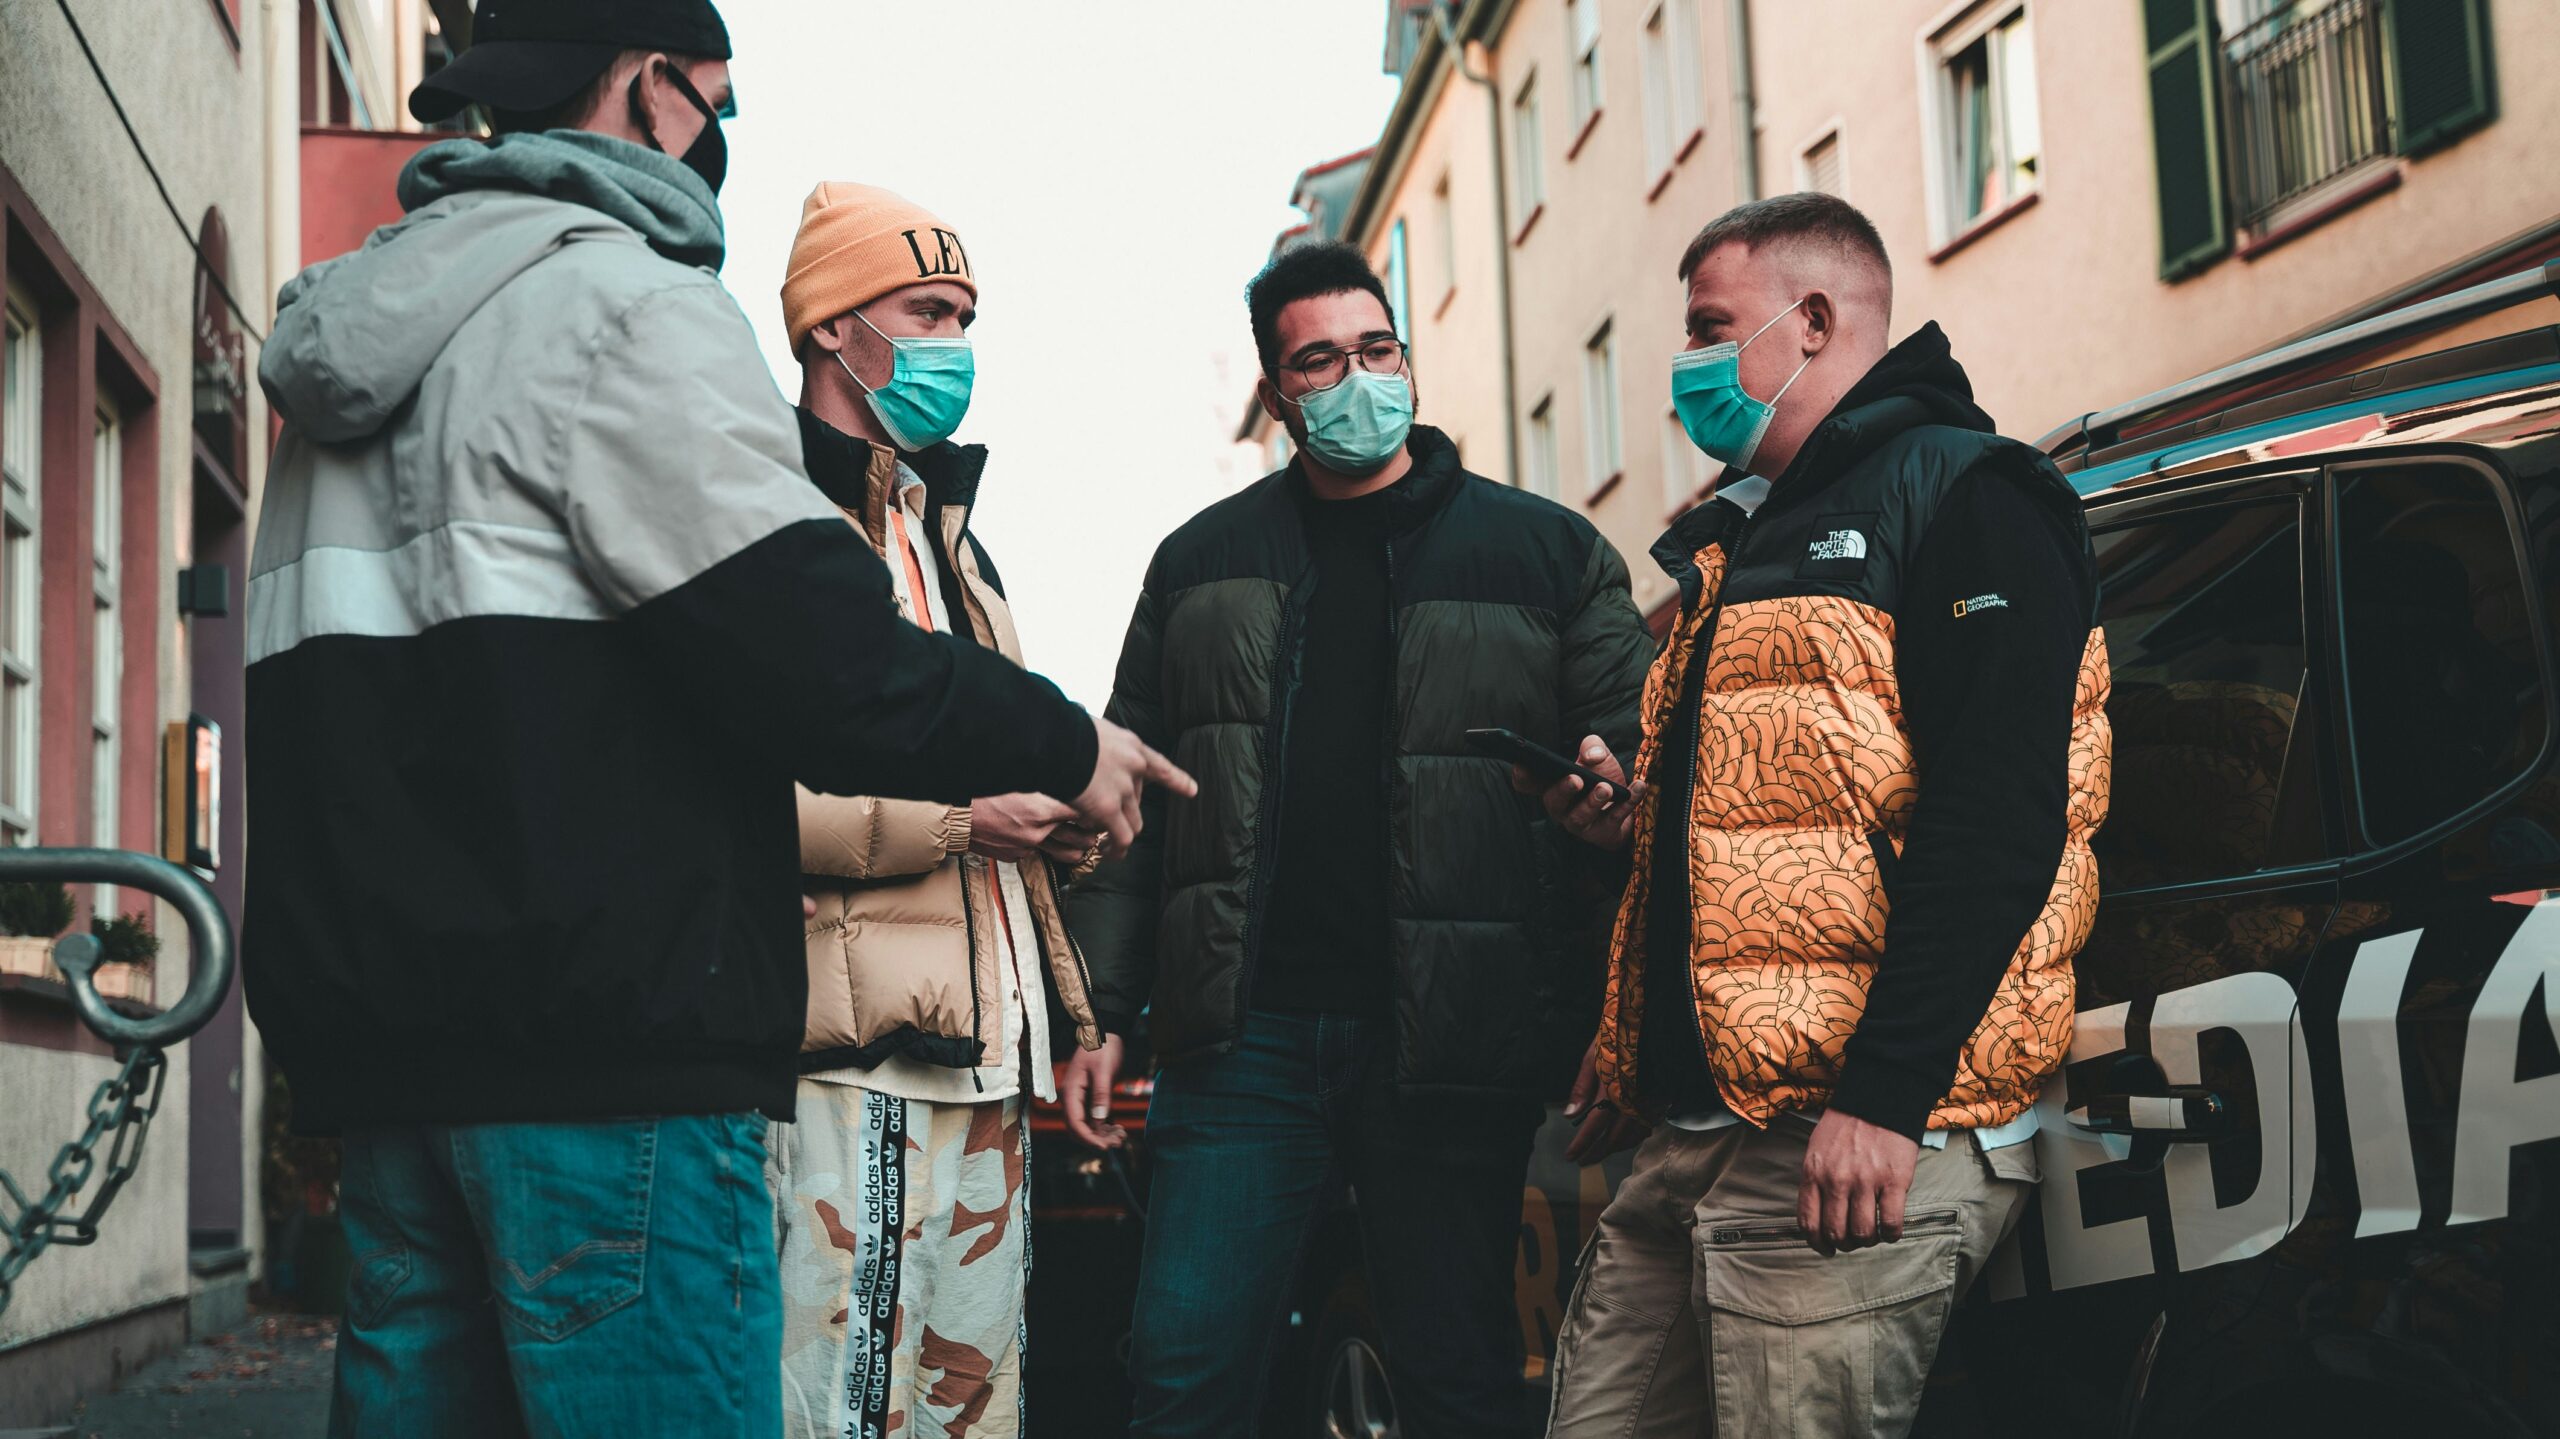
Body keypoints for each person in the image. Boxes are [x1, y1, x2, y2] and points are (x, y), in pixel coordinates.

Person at [243, 5, 1188, 1435]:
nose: (721, 139)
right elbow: (821, 655)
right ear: (647, 86)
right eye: (718, 101)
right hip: (606, 1062)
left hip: (390, 1071)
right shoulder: (627, 305)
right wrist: (1073, 741)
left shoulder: (341, 363)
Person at [1534, 192, 2110, 1438]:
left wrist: (1886, 1093)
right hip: (1694, 1130)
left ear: (1809, 320)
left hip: (1848, 1134)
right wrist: (1634, 974)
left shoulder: (1974, 494)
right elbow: (1774, 830)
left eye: (1707, 327)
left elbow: (1999, 811)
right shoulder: (1741, 540)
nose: (1688, 366)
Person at [1061, 240, 1656, 1439]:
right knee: (1182, 1371)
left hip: (1452, 1031)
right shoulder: (1198, 563)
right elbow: (1124, 801)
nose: (1357, 378)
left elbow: (1643, 792)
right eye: (1320, 360)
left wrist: (1610, 896)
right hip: (1242, 1043)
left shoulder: (1547, 554)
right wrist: (1100, 1012)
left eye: (1376, 349)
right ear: (1278, 395)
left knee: (1458, 1370)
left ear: (1408, 362)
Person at [762, 181, 1098, 1439]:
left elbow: (1006, 778)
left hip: (989, 1048)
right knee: (836, 1409)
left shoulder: (951, 536)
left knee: (973, 1409)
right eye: (929, 309)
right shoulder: (776, 523)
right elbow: (742, 794)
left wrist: (1070, 991)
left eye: (965, 312)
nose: (955, 341)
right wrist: (964, 823)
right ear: (830, 327)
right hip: (856, 1054)